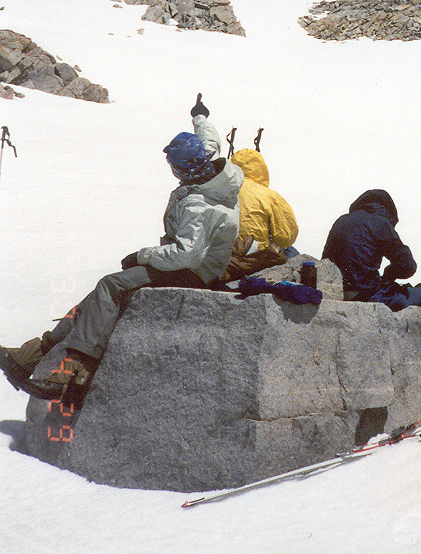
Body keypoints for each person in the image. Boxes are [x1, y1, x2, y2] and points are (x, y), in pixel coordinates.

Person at [0, 98, 243, 402]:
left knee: (110, 285)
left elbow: (187, 254)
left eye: (173, 168)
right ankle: (32, 355)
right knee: (99, 297)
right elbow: (209, 139)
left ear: (183, 169)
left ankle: (71, 375)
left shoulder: (200, 204)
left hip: (194, 273)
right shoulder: (211, 169)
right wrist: (200, 116)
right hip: (189, 264)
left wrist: (142, 256)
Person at [322, 189, 421, 312]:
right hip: (366, 295)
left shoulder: (341, 220)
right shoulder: (380, 223)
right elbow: (408, 266)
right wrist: (388, 275)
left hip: (334, 292)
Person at [218, 146, 299, 283]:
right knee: (292, 252)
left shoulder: (219, 190)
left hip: (223, 259)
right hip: (255, 259)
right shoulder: (269, 196)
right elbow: (286, 236)